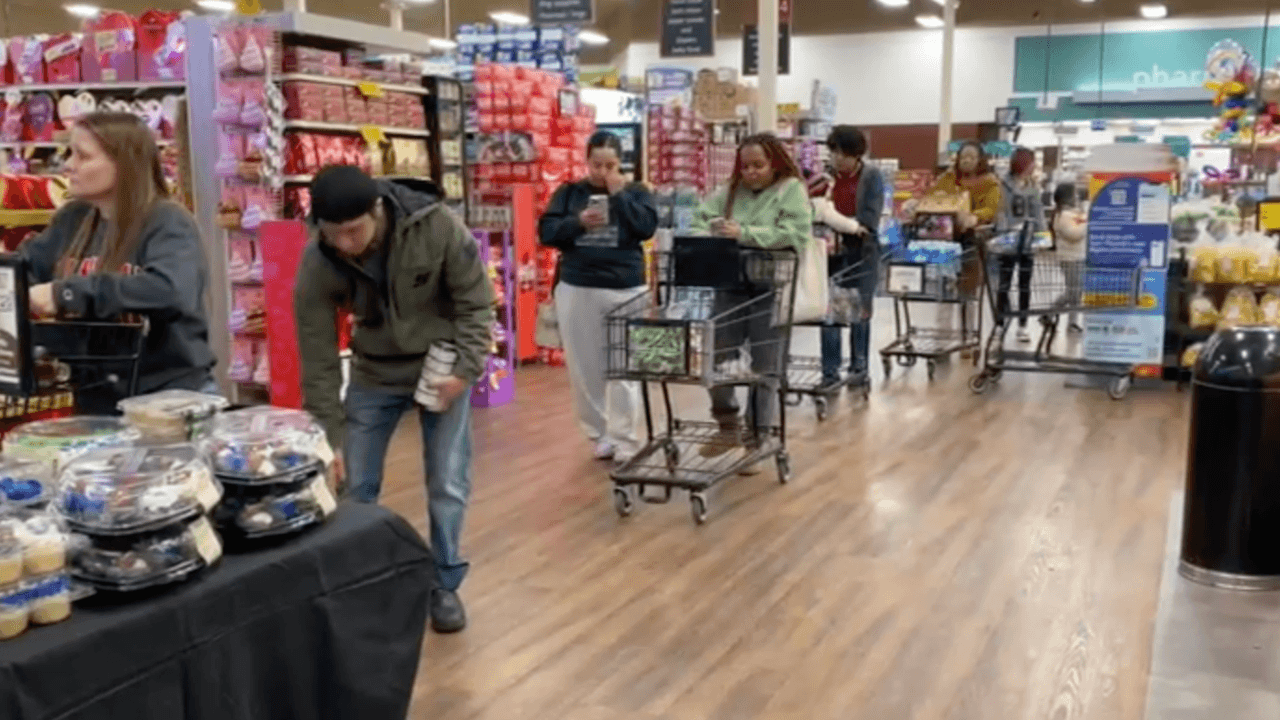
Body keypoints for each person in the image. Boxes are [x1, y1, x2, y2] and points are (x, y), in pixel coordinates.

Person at [293, 166, 494, 634]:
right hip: (374, 373)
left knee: (447, 481)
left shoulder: (436, 225)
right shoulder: (318, 262)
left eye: (354, 231)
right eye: (333, 233)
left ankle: (444, 584)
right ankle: (357, 582)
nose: (345, 243)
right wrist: (328, 437)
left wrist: (466, 368)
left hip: (440, 366)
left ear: (377, 211)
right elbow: (318, 355)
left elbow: (475, 299)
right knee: (354, 485)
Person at [18, 111, 215, 411]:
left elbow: (171, 289)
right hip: (96, 400)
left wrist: (66, 294)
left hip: (169, 403)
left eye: (83, 156)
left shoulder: (168, 222)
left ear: (123, 164)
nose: (68, 166)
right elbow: (24, 270)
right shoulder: (72, 220)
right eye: (70, 154)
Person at [538, 132, 658, 463]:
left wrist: (619, 196)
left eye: (610, 165)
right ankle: (599, 433)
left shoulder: (637, 192)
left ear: (621, 164)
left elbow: (646, 228)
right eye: (596, 164)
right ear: (585, 161)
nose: (602, 172)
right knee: (585, 367)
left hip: (627, 286)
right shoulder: (569, 193)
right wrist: (577, 222)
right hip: (578, 286)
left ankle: (624, 437)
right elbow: (546, 233)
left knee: (625, 365)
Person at [691, 134, 812, 460]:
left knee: (765, 366)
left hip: (771, 288)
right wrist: (710, 232)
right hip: (729, 284)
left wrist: (745, 233)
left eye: (759, 165)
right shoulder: (729, 191)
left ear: (774, 163)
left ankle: (757, 435)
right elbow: (699, 218)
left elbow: (796, 234)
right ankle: (727, 425)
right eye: (745, 166)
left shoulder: (791, 191)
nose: (751, 172)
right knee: (718, 360)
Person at [811, 125, 885, 386]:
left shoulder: (872, 176)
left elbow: (869, 220)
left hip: (861, 252)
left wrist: (837, 221)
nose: (837, 159)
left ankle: (859, 367)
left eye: (843, 154)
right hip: (830, 254)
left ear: (857, 154)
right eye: (833, 153)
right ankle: (829, 371)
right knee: (828, 312)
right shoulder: (825, 178)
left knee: (859, 310)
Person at [994, 147, 1045, 343]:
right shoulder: (1002, 184)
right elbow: (1000, 211)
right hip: (1008, 241)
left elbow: (1038, 212)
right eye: (1032, 162)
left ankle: (1022, 326)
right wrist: (1005, 232)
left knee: (1025, 285)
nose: (1034, 166)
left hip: (1027, 242)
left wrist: (1041, 238)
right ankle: (1000, 324)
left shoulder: (1033, 186)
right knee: (1003, 285)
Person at [1051, 182, 1088, 333]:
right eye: (1074, 194)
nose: (1077, 197)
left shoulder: (1071, 213)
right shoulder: (1064, 215)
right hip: (1069, 258)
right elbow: (1074, 234)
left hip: (1077, 256)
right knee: (1074, 291)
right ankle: (1055, 315)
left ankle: (1052, 314)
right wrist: (1088, 223)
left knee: (1075, 291)